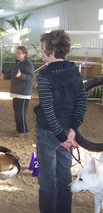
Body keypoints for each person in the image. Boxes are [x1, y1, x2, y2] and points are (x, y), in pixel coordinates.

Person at [34, 29, 87, 213]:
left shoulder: (45, 75)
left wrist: (62, 136)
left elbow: (48, 110)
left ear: (52, 50)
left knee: (48, 180)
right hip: (68, 133)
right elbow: (82, 101)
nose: (41, 51)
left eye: (43, 48)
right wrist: (72, 129)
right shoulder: (74, 71)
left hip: (49, 134)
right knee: (64, 177)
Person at [0, 46, 34, 137]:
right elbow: (12, 74)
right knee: (18, 112)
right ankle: (21, 129)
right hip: (16, 91)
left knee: (20, 113)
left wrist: (21, 75)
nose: (17, 55)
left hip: (23, 92)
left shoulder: (28, 64)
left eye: (19, 53)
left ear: (25, 54)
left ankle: (22, 131)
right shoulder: (17, 63)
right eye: (17, 53)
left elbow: (30, 77)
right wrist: (5, 76)